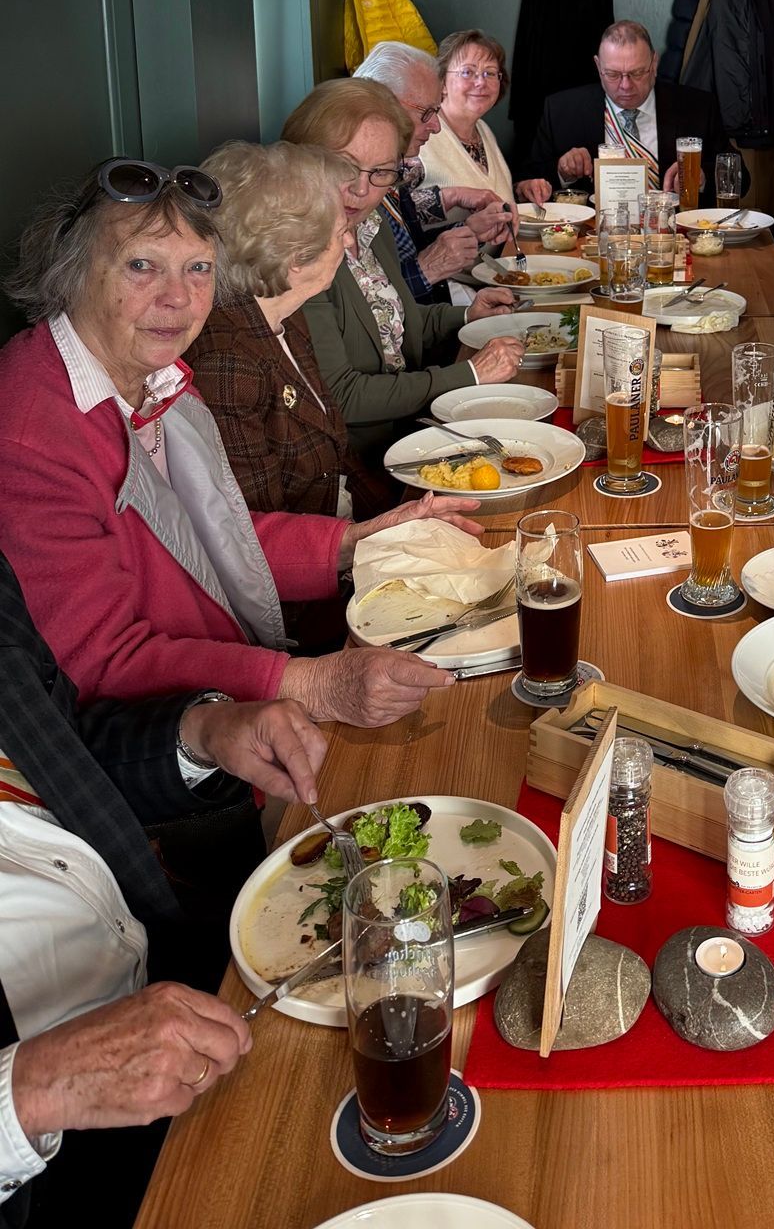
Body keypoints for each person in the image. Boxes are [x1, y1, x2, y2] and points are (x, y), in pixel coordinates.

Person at [0, 159, 456, 726]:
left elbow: (212, 533)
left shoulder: (157, 376)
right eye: (141, 266)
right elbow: (102, 664)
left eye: (198, 268)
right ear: (71, 271)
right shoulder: (30, 437)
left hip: (237, 681)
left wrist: (357, 543)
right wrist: (308, 683)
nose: (178, 297)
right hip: (175, 737)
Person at [0, 553, 327, 1229]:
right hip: (47, 1171)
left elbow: (56, 750)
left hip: (168, 971)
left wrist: (204, 733)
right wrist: (32, 1089)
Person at [185, 139, 483, 522]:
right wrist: (382, 531)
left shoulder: (285, 315)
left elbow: (338, 459)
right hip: (325, 552)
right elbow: (260, 536)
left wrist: (401, 511)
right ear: (296, 256)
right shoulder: (227, 366)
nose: (350, 241)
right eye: (342, 231)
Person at [283, 79, 527, 461]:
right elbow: (343, 397)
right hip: (359, 459)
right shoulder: (298, 253)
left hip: (415, 426)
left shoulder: (372, 223)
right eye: (345, 167)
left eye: (381, 172)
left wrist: (468, 314)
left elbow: (397, 320)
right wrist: (470, 373)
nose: (361, 189)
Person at [353, 41, 512, 302]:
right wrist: (428, 269)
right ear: (384, 105)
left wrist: (469, 230)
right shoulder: (355, 188)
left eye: (490, 73)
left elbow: (410, 248)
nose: (436, 127)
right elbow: (369, 305)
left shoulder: (389, 172)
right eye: (427, 112)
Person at [520, 19, 722, 194]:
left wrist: (700, 177)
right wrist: (562, 171)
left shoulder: (698, 107)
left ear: (654, 64)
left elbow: (731, 172)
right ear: (598, 66)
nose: (625, 85)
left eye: (637, 73)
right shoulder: (561, 111)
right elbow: (526, 181)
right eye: (613, 74)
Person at [418, 29, 551, 220]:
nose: (481, 82)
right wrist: (454, 196)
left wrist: (520, 191)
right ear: (442, 82)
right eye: (467, 72)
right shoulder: (421, 134)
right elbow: (393, 211)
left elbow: (490, 195)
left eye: (490, 73)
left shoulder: (483, 130)